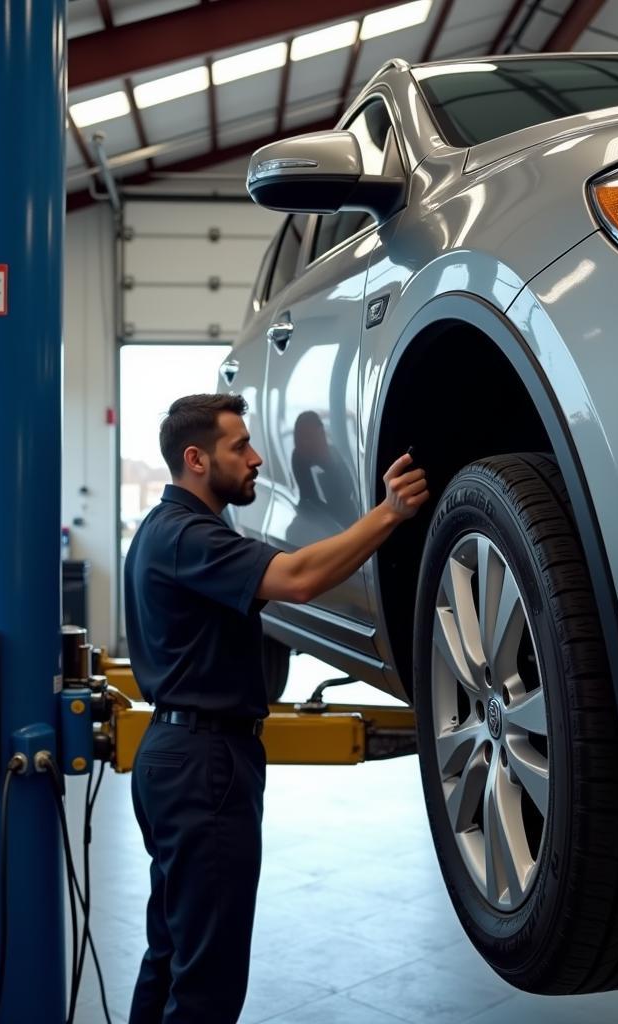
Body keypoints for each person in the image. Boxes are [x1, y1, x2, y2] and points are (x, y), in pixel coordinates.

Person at [124, 393, 428, 1024]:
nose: (258, 457)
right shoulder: (188, 536)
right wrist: (390, 514)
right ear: (196, 459)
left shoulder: (164, 529)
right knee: (207, 980)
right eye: (240, 446)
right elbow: (297, 580)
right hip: (203, 764)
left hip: (178, 755)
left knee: (172, 952)